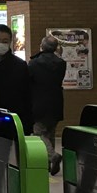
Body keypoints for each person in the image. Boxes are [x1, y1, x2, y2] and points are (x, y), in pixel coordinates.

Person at [29, 36, 67, 175]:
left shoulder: (34, 63)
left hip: (39, 103)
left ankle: (53, 156)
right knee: (50, 132)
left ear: (42, 46)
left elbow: (29, 82)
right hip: (56, 102)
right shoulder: (61, 63)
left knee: (39, 133)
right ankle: (48, 165)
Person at [0, 24, 32, 128]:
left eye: (5, 41)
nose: (0, 44)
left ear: (10, 42)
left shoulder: (20, 65)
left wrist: (27, 124)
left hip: (13, 119)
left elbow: (27, 95)